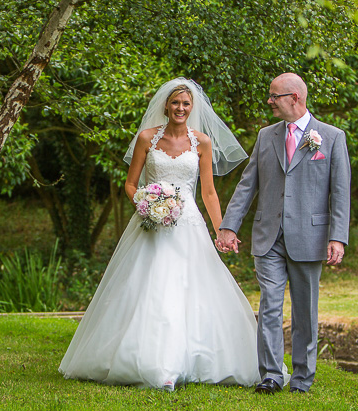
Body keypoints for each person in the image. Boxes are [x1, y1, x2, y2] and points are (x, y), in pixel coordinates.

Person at [59, 78, 265, 390]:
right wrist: (147, 205)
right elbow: (131, 184)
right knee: (147, 287)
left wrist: (222, 229)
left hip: (188, 225)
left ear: (192, 107)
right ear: (166, 106)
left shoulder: (202, 142)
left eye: (186, 104)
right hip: (150, 224)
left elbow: (208, 192)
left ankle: (189, 361)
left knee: (189, 287)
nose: (180, 108)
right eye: (175, 103)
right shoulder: (146, 138)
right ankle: (147, 361)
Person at [216, 73, 350, 395]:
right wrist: (229, 225)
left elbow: (340, 191)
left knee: (305, 312)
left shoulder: (331, 137)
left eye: (274, 96)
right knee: (270, 306)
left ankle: (302, 379)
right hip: (268, 236)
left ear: (295, 98)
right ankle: (272, 376)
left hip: (309, 237)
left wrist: (337, 237)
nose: (269, 101)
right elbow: (248, 184)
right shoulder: (266, 136)